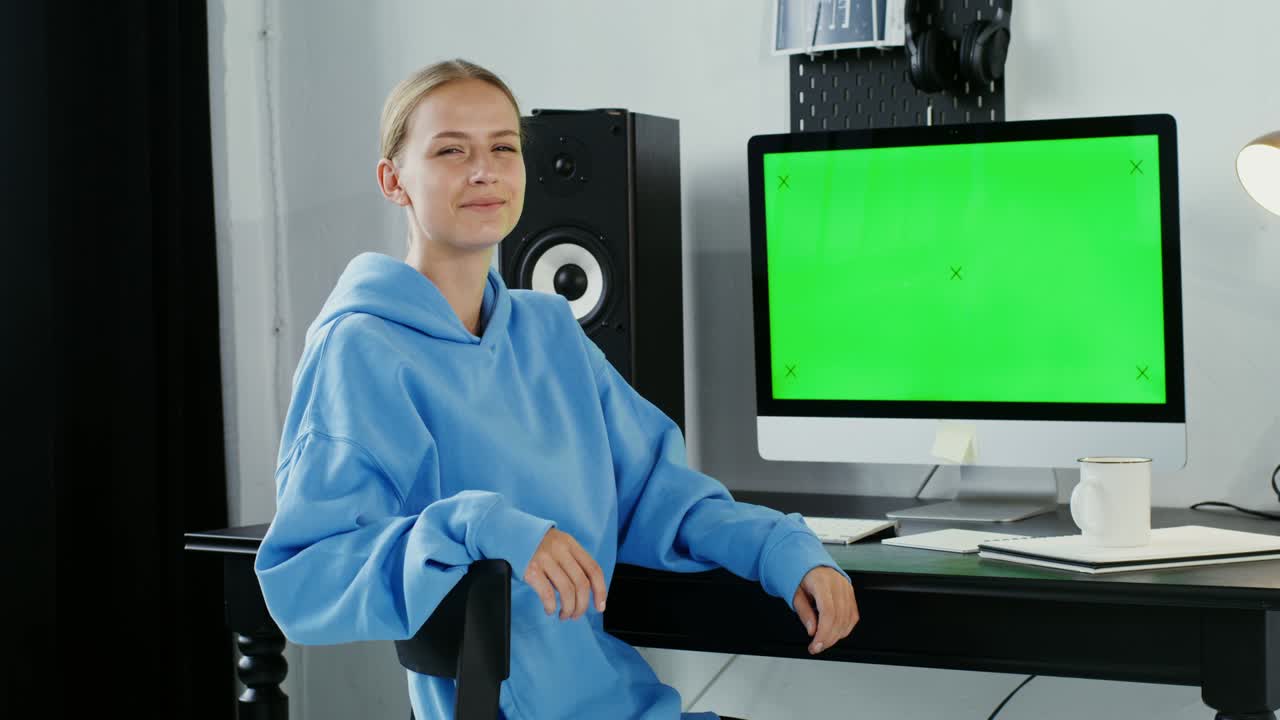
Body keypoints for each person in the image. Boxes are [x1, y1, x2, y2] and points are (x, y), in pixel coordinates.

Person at [254, 58, 859, 720]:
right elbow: (306, 575)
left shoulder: (549, 331)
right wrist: (477, 524)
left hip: (626, 705)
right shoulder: (361, 350)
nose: (484, 170)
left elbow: (659, 494)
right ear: (393, 179)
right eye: (452, 150)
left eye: (503, 148)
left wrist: (785, 551)